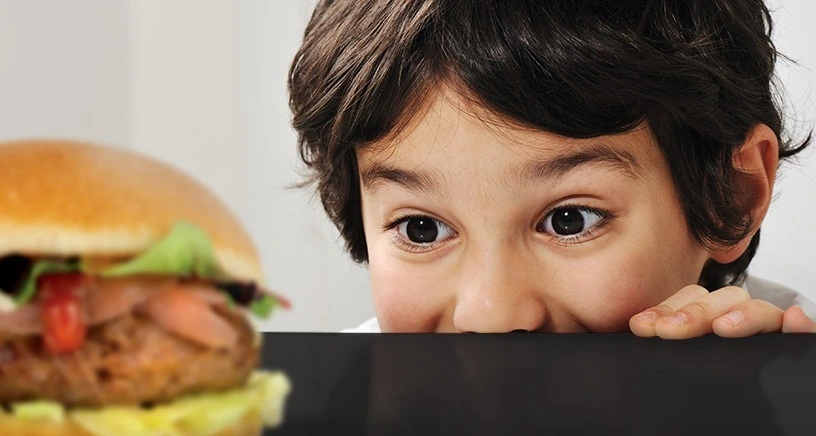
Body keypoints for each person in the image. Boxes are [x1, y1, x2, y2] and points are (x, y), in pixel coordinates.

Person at [288, 0, 816, 336]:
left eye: (570, 220)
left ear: (731, 197)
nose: (490, 314)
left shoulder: (783, 407)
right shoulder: (325, 425)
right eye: (420, 228)